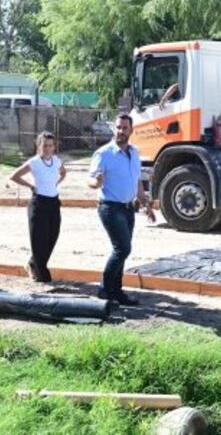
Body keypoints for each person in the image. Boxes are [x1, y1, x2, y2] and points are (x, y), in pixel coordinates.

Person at [88, 114, 155, 306]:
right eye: (118, 127)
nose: (121, 131)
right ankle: (105, 289)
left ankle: (116, 291)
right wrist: (96, 182)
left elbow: (137, 183)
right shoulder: (104, 153)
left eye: (125, 128)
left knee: (122, 251)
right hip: (110, 207)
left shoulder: (134, 153)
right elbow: (90, 180)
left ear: (131, 130)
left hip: (128, 209)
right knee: (123, 248)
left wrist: (146, 205)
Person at [9, 131, 66, 283]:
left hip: (54, 203)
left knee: (51, 238)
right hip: (39, 203)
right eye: (44, 145)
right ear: (39, 146)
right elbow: (15, 176)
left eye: (50, 145)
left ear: (54, 147)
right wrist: (31, 186)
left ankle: (32, 264)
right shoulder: (34, 162)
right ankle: (43, 276)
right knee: (39, 240)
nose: (47, 148)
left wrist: (56, 183)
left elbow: (63, 173)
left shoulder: (57, 161)